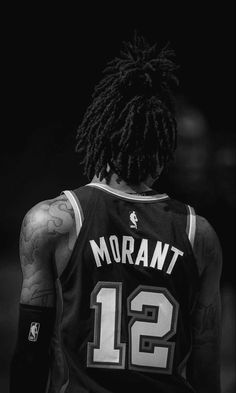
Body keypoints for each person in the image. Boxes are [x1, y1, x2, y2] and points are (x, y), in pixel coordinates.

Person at [10, 34, 222, 393]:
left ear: (100, 135)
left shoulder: (50, 222)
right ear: (162, 147)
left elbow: (31, 354)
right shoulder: (198, 234)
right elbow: (205, 373)